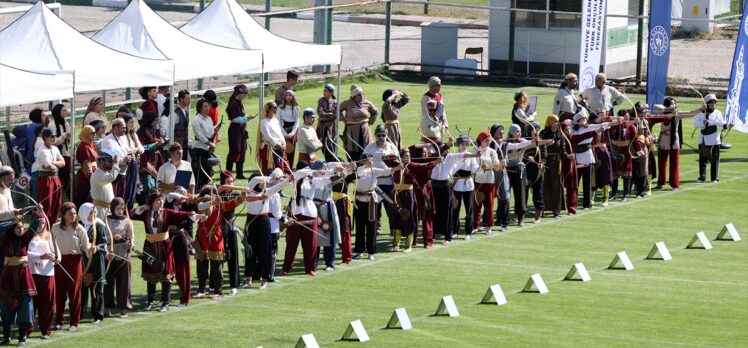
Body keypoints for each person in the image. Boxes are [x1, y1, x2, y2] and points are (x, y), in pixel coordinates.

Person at [131, 191, 194, 311]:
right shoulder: (146, 213)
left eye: (161, 200)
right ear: (152, 202)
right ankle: (151, 301)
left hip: (165, 246)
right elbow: (130, 214)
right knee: (151, 273)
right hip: (149, 246)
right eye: (158, 200)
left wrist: (192, 214)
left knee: (166, 274)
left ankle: (165, 302)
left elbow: (180, 214)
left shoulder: (166, 213)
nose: (161, 202)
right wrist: (140, 208)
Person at [282, 162, 338, 276]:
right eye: (306, 168)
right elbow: (300, 173)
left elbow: (328, 179)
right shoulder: (295, 178)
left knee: (310, 243)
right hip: (295, 212)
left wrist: (341, 173)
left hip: (310, 212)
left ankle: (310, 268)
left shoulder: (312, 180)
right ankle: (286, 268)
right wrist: (312, 170)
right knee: (291, 243)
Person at [0, 206, 43, 346]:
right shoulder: (5, 238)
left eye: (21, 227)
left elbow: (33, 227)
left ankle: (22, 338)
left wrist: (38, 213)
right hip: (8, 276)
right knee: (6, 307)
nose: (20, 229)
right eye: (17, 227)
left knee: (26, 307)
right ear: (12, 228)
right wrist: (12, 221)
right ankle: (7, 337)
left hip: (24, 276)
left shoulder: (25, 238)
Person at [194, 186, 247, 300]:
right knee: (201, 264)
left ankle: (218, 291)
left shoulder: (219, 205)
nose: (212, 196)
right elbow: (199, 206)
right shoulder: (200, 203)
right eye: (210, 194)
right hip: (202, 236)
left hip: (215, 236)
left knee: (216, 265)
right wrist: (211, 200)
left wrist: (241, 198)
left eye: (214, 194)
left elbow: (230, 204)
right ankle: (201, 289)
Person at [352, 154, 402, 260]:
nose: (370, 161)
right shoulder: (359, 170)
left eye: (371, 160)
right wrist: (365, 165)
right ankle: (359, 251)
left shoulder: (374, 170)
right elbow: (357, 173)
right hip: (359, 202)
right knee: (360, 227)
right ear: (362, 161)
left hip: (371, 202)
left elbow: (387, 171)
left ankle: (371, 252)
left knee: (371, 227)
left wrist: (398, 167)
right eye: (367, 160)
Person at [245, 172, 290, 288]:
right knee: (250, 250)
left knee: (265, 251)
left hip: (264, 222)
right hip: (251, 222)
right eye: (262, 182)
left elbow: (278, 187)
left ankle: (264, 279)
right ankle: (248, 278)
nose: (265, 183)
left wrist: (288, 179)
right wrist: (271, 178)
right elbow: (255, 179)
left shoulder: (267, 192)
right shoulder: (248, 191)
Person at [52, 202, 89, 332]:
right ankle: (59, 321)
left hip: (75, 261)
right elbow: (50, 245)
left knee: (74, 292)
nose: (73, 216)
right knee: (60, 292)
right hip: (59, 261)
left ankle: (74, 322)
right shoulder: (55, 227)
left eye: (74, 213)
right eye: (70, 213)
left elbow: (86, 246)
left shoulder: (80, 229)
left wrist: (91, 249)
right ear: (63, 215)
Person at [571, 110, 616, 210]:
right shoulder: (573, 129)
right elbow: (567, 124)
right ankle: (573, 202)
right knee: (575, 182)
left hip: (587, 156)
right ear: (578, 121)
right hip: (577, 157)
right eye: (583, 119)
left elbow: (604, 124)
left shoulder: (590, 127)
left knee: (587, 182)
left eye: (586, 119)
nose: (585, 121)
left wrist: (616, 122)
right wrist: (576, 123)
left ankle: (587, 204)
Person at [393, 148, 437, 250]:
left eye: (409, 156)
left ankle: (417, 243)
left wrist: (434, 162)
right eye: (405, 156)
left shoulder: (413, 165)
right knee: (400, 217)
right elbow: (385, 159)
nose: (408, 158)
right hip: (401, 194)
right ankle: (400, 243)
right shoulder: (396, 164)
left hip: (416, 193)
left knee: (417, 216)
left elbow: (424, 165)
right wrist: (398, 164)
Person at [362, 125, 399, 237]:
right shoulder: (370, 147)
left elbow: (397, 162)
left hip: (388, 181)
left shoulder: (392, 147)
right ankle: (377, 227)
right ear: (375, 135)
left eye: (384, 135)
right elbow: (363, 161)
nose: (381, 137)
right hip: (375, 182)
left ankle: (393, 227)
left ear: (387, 135)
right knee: (376, 206)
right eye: (379, 135)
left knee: (391, 205)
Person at [28, 212, 60, 339]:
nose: (41, 225)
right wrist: (41, 256)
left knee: (47, 302)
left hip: (47, 273)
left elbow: (57, 253)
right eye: (39, 222)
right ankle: (28, 328)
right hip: (32, 273)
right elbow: (26, 253)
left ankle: (45, 330)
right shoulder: (28, 236)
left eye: (43, 222)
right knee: (31, 303)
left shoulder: (49, 237)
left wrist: (56, 258)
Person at [78, 203, 111, 324]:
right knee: (82, 287)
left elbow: (103, 243)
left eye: (95, 212)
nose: (94, 214)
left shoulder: (99, 225)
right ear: (84, 213)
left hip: (96, 261)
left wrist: (97, 248)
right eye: (91, 212)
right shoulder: (79, 225)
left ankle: (98, 315)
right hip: (82, 260)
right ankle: (80, 313)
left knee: (96, 287)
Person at [217, 171, 248, 295]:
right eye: (229, 181)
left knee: (233, 256)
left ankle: (234, 285)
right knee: (217, 257)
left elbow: (248, 198)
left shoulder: (235, 194)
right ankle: (214, 285)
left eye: (232, 181)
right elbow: (223, 188)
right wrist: (242, 187)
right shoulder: (218, 192)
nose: (231, 183)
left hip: (230, 228)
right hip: (218, 229)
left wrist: (259, 196)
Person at [503, 124, 539, 226]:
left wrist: (538, 139)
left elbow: (535, 144)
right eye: (517, 131)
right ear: (511, 132)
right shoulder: (505, 143)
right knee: (505, 195)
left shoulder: (523, 141)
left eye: (519, 131)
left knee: (520, 195)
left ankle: (520, 217)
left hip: (519, 170)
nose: (519, 133)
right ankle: (504, 218)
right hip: (507, 170)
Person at [104, 198, 133, 318]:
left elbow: (131, 238)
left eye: (122, 209)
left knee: (124, 282)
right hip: (109, 254)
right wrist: (112, 239)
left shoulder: (127, 221)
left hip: (123, 254)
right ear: (112, 208)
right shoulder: (106, 220)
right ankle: (107, 307)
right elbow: (103, 237)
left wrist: (128, 244)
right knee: (108, 281)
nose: (120, 211)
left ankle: (124, 308)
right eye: (118, 209)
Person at [472, 131, 507, 231]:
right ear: (481, 141)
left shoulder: (492, 151)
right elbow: (472, 165)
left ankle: (489, 226)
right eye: (486, 140)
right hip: (478, 180)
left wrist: (501, 164)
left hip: (489, 180)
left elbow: (496, 167)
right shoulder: (474, 151)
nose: (489, 142)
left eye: (489, 140)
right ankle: (475, 225)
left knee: (489, 204)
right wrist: (480, 167)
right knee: (476, 203)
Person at [34, 129, 65, 224]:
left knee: (57, 203)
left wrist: (53, 163)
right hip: (46, 179)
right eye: (51, 136)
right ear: (45, 138)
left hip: (56, 178)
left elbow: (63, 163)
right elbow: (49, 167)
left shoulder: (55, 149)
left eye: (54, 136)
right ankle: (42, 225)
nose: (54, 138)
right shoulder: (42, 150)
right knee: (46, 204)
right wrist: (55, 165)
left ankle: (52, 225)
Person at [695, 94, 728, 183]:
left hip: (714, 140)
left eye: (714, 102)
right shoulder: (701, 113)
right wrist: (703, 123)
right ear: (707, 103)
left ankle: (714, 178)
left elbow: (722, 124)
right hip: (703, 139)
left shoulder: (717, 113)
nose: (713, 104)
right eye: (711, 103)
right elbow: (695, 124)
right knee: (703, 159)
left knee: (715, 159)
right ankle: (702, 177)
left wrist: (728, 125)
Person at [539, 115, 568, 218]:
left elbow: (563, 150)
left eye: (557, 122)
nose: (557, 123)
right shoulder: (543, 134)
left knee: (556, 186)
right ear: (550, 122)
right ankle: (541, 210)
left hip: (556, 162)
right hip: (545, 162)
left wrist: (568, 156)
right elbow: (538, 147)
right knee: (544, 186)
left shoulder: (560, 134)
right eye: (555, 122)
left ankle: (556, 210)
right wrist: (546, 143)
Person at [340, 85, 379, 161]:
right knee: (353, 151)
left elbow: (375, 112)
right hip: (352, 131)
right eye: (359, 95)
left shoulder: (367, 103)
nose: (361, 96)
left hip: (365, 130)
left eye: (362, 94)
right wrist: (343, 119)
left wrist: (370, 122)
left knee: (366, 150)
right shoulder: (347, 103)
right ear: (354, 96)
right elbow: (337, 109)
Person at [101, 118, 134, 200]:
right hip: (114, 176)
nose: (125, 130)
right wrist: (124, 160)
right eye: (123, 127)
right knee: (114, 200)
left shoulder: (123, 137)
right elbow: (109, 160)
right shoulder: (107, 140)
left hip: (124, 173)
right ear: (115, 128)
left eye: (125, 127)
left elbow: (127, 152)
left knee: (121, 199)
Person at [226, 85, 254, 179]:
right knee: (235, 152)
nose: (245, 95)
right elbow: (235, 119)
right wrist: (247, 118)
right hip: (235, 130)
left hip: (241, 130)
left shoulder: (239, 102)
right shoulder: (233, 103)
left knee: (242, 151)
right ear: (239, 93)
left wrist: (246, 118)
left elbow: (240, 116)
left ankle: (239, 173)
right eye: (244, 93)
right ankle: (228, 174)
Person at [137, 112, 165, 204]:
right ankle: (146, 204)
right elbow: (141, 147)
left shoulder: (152, 129)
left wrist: (159, 141)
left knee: (155, 183)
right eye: (155, 120)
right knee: (148, 185)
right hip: (145, 161)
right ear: (150, 120)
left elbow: (154, 139)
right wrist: (154, 145)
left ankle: (154, 202)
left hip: (154, 160)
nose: (156, 122)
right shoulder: (141, 131)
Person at [609, 110, 637, 202]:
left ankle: (626, 195)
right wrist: (618, 124)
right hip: (615, 150)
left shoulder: (631, 126)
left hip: (626, 151)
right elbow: (610, 134)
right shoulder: (614, 126)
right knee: (614, 174)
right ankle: (614, 193)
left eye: (628, 116)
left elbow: (635, 139)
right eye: (625, 116)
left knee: (626, 174)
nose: (627, 118)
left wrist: (639, 150)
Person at [523, 122, 547, 222]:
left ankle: (538, 215)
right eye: (534, 130)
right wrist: (527, 157)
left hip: (538, 170)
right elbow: (520, 154)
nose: (537, 132)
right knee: (523, 193)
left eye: (538, 130)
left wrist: (542, 163)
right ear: (529, 131)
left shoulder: (541, 142)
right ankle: (522, 214)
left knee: (538, 192)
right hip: (526, 170)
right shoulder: (524, 142)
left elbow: (544, 156)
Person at [191, 98, 217, 189]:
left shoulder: (209, 118)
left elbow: (213, 132)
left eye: (207, 106)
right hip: (200, 148)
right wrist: (210, 144)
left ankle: (206, 189)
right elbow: (199, 135)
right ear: (200, 108)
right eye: (204, 106)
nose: (207, 108)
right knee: (200, 172)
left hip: (208, 148)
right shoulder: (196, 120)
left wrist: (213, 145)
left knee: (208, 171)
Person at [257, 102, 287, 175]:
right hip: (269, 149)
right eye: (274, 107)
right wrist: (277, 145)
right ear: (268, 109)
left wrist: (284, 143)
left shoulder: (275, 120)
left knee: (279, 167)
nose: (276, 109)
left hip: (279, 147)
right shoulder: (264, 122)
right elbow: (268, 136)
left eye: (276, 107)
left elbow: (280, 133)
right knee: (269, 170)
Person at [90, 150, 120, 220]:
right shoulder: (96, 175)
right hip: (100, 210)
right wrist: (116, 163)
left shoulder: (104, 174)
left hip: (107, 209)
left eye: (112, 161)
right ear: (101, 162)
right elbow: (112, 177)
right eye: (109, 161)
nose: (112, 163)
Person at [123, 115, 144, 209]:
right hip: (127, 165)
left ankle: (130, 208)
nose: (132, 124)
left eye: (133, 122)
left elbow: (141, 149)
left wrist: (136, 149)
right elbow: (127, 150)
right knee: (127, 188)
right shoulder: (122, 136)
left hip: (135, 163)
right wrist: (135, 150)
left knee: (133, 188)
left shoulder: (133, 134)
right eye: (130, 122)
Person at [49, 103, 72, 193]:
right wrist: (64, 135)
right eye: (64, 110)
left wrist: (68, 137)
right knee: (62, 174)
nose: (66, 112)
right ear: (58, 112)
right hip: (58, 154)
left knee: (67, 174)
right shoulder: (52, 125)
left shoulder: (65, 123)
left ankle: (67, 193)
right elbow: (52, 141)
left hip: (66, 152)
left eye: (66, 110)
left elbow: (68, 138)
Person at [74, 126, 98, 207]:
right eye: (92, 133)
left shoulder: (90, 144)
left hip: (92, 175)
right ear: (86, 133)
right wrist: (92, 180)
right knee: (84, 202)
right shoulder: (84, 147)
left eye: (95, 133)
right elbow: (86, 166)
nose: (94, 135)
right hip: (86, 178)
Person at [278, 90, 300, 166]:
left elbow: (297, 123)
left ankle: (289, 167)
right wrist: (284, 133)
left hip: (292, 131)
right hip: (282, 131)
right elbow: (278, 122)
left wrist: (291, 133)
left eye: (290, 95)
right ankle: (283, 167)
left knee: (291, 151)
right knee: (283, 149)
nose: (288, 97)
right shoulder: (280, 108)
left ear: (293, 97)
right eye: (286, 95)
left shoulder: (296, 108)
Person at [316, 84, 338, 162]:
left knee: (331, 145)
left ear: (331, 92)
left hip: (331, 127)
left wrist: (327, 114)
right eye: (324, 90)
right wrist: (330, 114)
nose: (324, 92)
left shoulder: (335, 102)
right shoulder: (321, 101)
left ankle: (331, 162)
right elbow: (320, 113)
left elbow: (336, 115)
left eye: (326, 91)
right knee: (322, 144)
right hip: (322, 126)